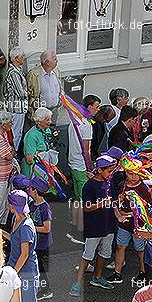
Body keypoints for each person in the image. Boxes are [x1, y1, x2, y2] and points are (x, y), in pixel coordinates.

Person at [70, 155, 118, 296]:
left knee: (104, 253)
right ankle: (77, 282)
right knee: (88, 255)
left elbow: (114, 202)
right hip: (94, 227)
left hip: (109, 225)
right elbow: (86, 207)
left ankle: (97, 277)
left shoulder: (109, 184)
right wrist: (102, 203)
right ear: (99, 170)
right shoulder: (89, 186)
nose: (111, 174)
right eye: (109, 171)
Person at [6, 190, 39, 302]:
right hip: (15, 267)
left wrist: (13, 272)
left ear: (13, 205)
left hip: (25, 272)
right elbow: (14, 239)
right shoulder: (15, 218)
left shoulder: (26, 226)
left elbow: (24, 254)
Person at [108, 166, 150, 286]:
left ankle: (143, 271)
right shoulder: (122, 185)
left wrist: (129, 214)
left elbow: (147, 208)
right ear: (126, 172)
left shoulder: (144, 187)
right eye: (130, 173)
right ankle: (117, 273)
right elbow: (116, 201)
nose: (133, 176)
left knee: (140, 249)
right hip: (124, 224)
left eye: (136, 174)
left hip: (139, 225)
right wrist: (118, 213)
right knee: (120, 246)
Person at [68, 94, 100, 231]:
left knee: (77, 196)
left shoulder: (74, 120)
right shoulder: (86, 125)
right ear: (89, 107)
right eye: (96, 106)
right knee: (84, 198)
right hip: (81, 165)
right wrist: (90, 167)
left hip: (72, 162)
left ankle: (75, 221)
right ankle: (82, 227)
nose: (98, 110)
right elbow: (86, 150)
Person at [27, 177, 53, 301]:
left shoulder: (44, 207)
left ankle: (46, 290)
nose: (28, 190)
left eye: (30, 188)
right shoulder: (31, 204)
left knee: (41, 268)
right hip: (35, 243)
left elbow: (47, 228)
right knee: (36, 267)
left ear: (35, 191)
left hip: (43, 244)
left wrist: (31, 227)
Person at [4, 47, 28, 150]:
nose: (24, 58)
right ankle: (13, 153)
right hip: (15, 108)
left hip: (19, 108)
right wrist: (28, 92)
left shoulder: (18, 70)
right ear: (16, 58)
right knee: (15, 133)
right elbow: (21, 93)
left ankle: (14, 152)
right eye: (22, 56)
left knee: (18, 133)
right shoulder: (13, 73)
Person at [26, 50, 61, 120]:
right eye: (54, 59)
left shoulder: (56, 71)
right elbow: (28, 94)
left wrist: (60, 100)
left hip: (54, 110)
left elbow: (60, 89)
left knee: (53, 129)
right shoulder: (33, 74)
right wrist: (35, 106)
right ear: (47, 62)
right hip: (40, 113)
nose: (57, 61)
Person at [21, 107, 53, 177]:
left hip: (46, 168)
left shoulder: (47, 130)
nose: (50, 122)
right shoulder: (31, 135)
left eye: (50, 119)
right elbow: (29, 160)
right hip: (34, 171)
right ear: (39, 121)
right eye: (47, 120)